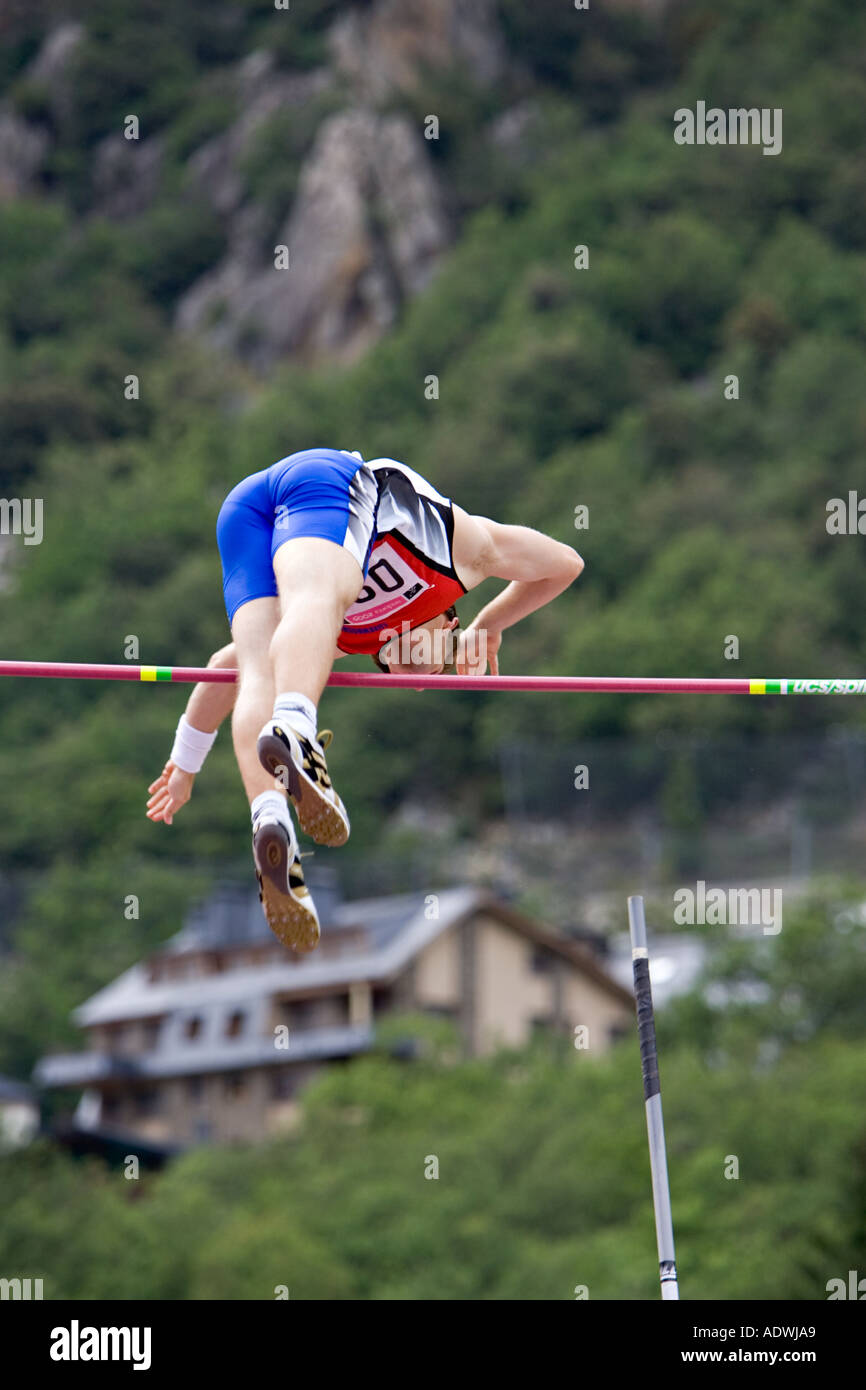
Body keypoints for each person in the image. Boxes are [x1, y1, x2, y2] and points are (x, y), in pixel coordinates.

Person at [146, 447, 583, 952]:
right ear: (450, 621)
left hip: (243, 515)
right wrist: (491, 625)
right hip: (324, 480)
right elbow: (563, 564)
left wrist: (186, 761)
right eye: (439, 662)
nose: (421, 678)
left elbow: (225, 671)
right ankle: (295, 730)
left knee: (258, 665)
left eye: (403, 673)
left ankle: (270, 821)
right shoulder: (463, 557)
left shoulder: (343, 637)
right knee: (317, 598)